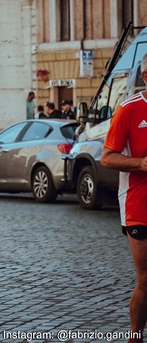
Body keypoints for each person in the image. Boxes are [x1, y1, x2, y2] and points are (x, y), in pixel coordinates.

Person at [101, 54, 147, 343]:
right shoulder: (129, 110)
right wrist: (141, 164)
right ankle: (135, 336)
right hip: (139, 205)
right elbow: (107, 158)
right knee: (146, 279)